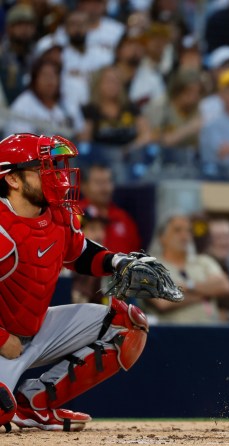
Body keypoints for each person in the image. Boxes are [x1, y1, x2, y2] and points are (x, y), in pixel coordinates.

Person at [0, 133, 178, 432]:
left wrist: (118, 262)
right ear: (13, 180)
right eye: (45, 167)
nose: (57, 175)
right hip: (4, 339)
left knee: (128, 324)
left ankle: (35, 405)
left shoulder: (56, 215)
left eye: (56, 165)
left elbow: (78, 252)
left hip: (32, 329)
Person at [143, 213, 229, 323]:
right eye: (177, 230)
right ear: (162, 237)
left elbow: (225, 286)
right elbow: (162, 302)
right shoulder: (148, 266)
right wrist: (207, 293)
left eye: (188, 231)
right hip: (172, 334)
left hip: (211, 331)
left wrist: (187, 286)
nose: (185, 236)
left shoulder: (204, 261)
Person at [79, 163, 142, 254]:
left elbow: (136, 253)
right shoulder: (73, 215)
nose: (105, 188)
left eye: (108, 182)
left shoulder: (123, 218)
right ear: (84, 186)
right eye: (99, 183)